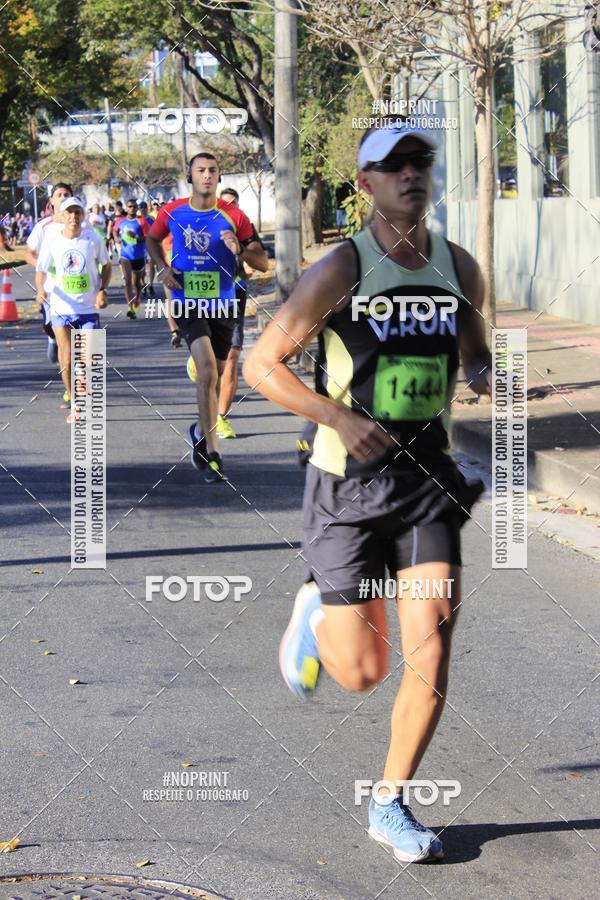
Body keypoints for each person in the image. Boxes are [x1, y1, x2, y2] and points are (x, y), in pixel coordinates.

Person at [244, 119, 492, 863]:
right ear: (367, 184)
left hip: (426, 484)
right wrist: (338, 416)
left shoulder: (460, 267)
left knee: (432, 648)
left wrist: (491, 376)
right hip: (346, 487)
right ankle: (317, 609)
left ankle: (390, 803)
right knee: (360, 674)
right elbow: (262, 366)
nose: (412, 174)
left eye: (421, 162)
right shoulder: (341, 270)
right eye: (395, 165)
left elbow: (474, 354)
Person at [147, 152, 268, 482]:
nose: (206, 175)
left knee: (216, 374)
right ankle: (213, 453)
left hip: (224, 304)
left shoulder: (234, 216)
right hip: (188, 301)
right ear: (190, 176)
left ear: (218, 176)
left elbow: (262, 263)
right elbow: (152, 238)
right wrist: (162, 268)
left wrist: (240, 249)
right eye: (200, 170)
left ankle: (200, 431)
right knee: (206, 370)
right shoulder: (172, 211)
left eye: (212, 170)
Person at [186, 185, 266, 440]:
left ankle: (220, 417)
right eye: (225, 203)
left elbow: (261, 263)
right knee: (210, 356)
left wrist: (242, 253)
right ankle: (198, 358)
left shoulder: (244, 227)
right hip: (203, 296)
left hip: (234, 295)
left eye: (233, 203)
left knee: (232, 356)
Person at [35, 196, 111, 423]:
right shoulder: (52, 240)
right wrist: (41, 289)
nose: (73, 217)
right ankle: (76, 403)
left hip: (88, 308)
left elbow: (107, 265)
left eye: (77, 212)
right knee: (67, 360)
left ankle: (82, 390)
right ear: (62, 215)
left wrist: (102, 290)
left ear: (82, 215)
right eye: (69, 212)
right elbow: (41, 270)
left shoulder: (93, 239)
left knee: (88, 360)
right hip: (61, 308)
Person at [27, 182, 88, 373]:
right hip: (52, 289)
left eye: (66, 194)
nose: (63, 197)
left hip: (77, 287)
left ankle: (77, 373)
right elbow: (29, 254)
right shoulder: (43, 226)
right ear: (51, 201)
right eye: (59, 194)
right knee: (52, 327)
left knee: (79, 333)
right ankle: (53, 339)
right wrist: (43, 267)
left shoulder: (82, 226)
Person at [114, 198, 149, 319]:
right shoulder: (121, 221)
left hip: (138, 256)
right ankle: (130, 307)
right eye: (130, 206)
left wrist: (135, 237)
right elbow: (115, 231)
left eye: (134, 206)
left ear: (137, 208)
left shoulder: (142, 221)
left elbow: (147, 237)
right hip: (125, 256)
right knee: (128, 281)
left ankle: (137, 299)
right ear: (126, 208)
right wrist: (117, 238)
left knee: (136, 283)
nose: (132, 208)